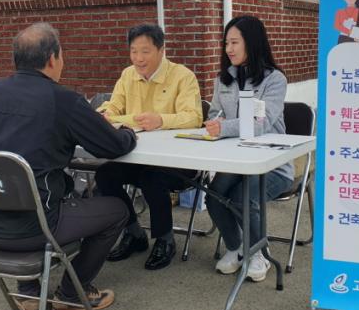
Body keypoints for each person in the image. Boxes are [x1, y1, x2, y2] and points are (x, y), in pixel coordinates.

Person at [0, 23, 136, 310]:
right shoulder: (63, 100)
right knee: (116, 210)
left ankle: (28, 293)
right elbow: (113, 146)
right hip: (36, 229)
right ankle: (72, 293)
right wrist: (128, 132)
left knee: (28, 192)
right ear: (53, 58)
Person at [95, 24, 203, 270]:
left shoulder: (182, 76)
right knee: (105, 175)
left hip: (177, 160)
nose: (138, 58)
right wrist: (104, 113)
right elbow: (113, 108)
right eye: (133, 51)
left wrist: (161, 120)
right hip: (138, 157)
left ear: (161, 50)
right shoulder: (127, 75)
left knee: (152, 178)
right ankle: (134, 233)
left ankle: (165, 239)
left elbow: (194, 117)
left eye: (145, 51)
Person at [204, 16, 293, 282]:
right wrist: (215, 121)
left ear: (251, 43)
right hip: (236, 160)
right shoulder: (223, 79)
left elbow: (261, 123)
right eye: (226, 43)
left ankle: (258, 253)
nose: (228, 49)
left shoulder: (274, 79)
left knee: (242, 197)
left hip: (273, 164)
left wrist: (224, 127)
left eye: (234, 43)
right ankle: (237, 247)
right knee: (214, 196)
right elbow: (214, 112)